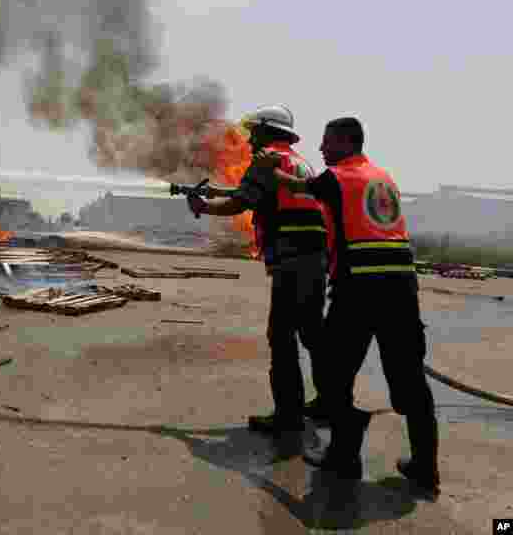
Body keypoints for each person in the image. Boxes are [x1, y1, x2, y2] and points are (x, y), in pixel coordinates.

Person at [254, 116, 440, 498]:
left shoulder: (338, 177)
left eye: (327, 142)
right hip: (402, 288)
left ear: (344, 142)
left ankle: (344, 455)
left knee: (333, 374)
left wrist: (268, 169)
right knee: (410, 381)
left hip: (359, 287)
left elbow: (298, 186)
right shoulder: (383, 177)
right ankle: (426, 466)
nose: (321, 150)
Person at [186, 105, 332, 449]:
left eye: (255, 132)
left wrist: (203, 207)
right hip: (314, 259)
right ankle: (329, 402)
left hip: (291, 262)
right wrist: (220, 194)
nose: (250, 141)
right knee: (313, 334)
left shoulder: (267, 159)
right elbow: (263, 195)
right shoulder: (299, 162)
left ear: (269, 132)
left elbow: (242, 202)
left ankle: (288, 415)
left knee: (281, 337)